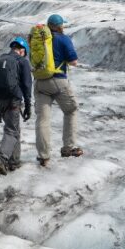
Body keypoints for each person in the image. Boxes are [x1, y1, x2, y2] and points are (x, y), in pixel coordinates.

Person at [34, 14, 83, 166]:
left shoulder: (39, 39)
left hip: (40, 81)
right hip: (58, 81)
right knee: (71, 110)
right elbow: (73, 61)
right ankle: (69, 147)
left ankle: (44, 156)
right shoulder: (63, 39)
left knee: (43, 119)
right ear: (60, 26)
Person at [0, 37, 32, 175]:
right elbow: (26, 85)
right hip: (13, 100)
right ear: (22, 50)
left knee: (14, 128)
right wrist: (28, 106)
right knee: (11, 130)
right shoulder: (22, 61)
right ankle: (2, 159)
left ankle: (14, 162)